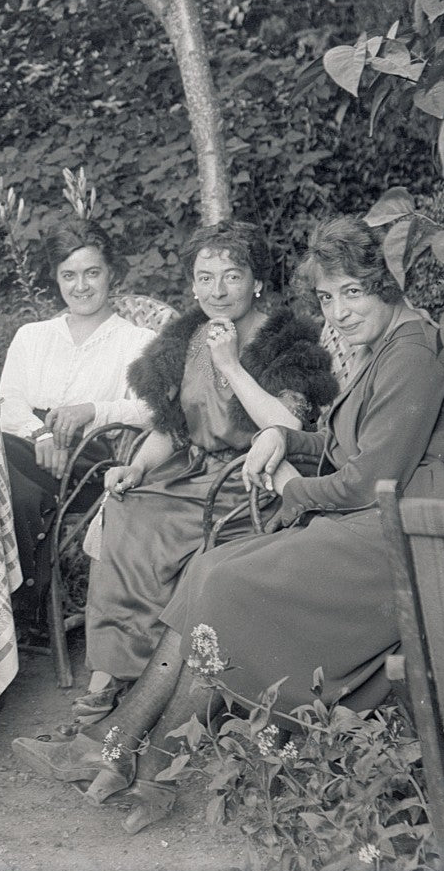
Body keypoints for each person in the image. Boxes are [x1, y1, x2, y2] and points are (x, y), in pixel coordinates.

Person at [11, 216, 444, 833]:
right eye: (327, 297)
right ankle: (113, 746)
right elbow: (351, 448)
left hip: (415, 535)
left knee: (224, 583)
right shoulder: (389, 346)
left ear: (387, 284)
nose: (340, 313)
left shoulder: (413, 353)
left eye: (353, 292)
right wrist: (286, 438)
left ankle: (155, 765)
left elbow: (367, 480)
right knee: (209, 571)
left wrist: (289, 481)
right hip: (380, 517)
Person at [71, 221, 338, 721]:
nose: (217, 290)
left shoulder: (286, 338)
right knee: (127, 513)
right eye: (205, 277)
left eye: (232, 276)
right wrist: (135, 465)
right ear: (192, 284)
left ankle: (163, 683)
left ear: (257, 281)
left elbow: (288, 427)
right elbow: (169, 428)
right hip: (186, 474)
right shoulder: (184, 337)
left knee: (167, 532)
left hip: (248, 482)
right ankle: (113, 673)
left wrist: (232, 364)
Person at [0, 217, 158, 640]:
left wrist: (91, 409)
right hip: (28, 448)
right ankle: (26, 597)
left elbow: (150, 410)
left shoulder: (135, 341)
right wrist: (41, 435)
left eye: (92, 273)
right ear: (56, 279)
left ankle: (11, 606)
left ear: (111, 274)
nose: (81, 286)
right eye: (69, 275)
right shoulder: (32, 336)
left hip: (89, 463)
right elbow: (8, 400)